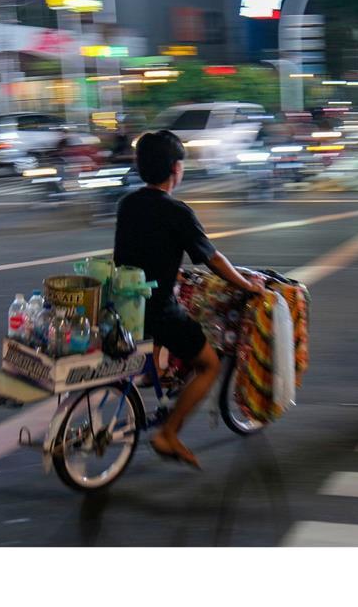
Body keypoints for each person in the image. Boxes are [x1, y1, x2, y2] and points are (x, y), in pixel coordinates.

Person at [113, 130, 264, 469]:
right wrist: (246, 286)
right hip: (158, 310)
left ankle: (155, 381)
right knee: (208, 363)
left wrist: (172, 272)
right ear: (176, 169)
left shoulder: (127, 204)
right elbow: (212, 258)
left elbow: (139, 253)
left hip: (125, 304)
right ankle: (168, 432)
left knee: (170, 338)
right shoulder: (177, 211)